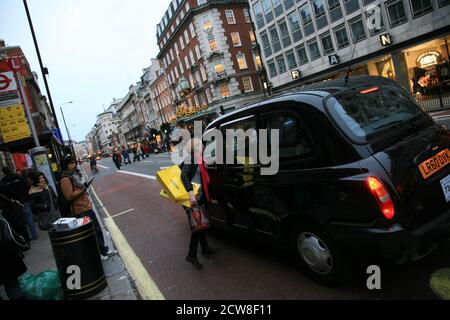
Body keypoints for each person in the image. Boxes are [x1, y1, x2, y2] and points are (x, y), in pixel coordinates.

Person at [59, 155, 116, 259]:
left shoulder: (73, 175)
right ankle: (99, 254)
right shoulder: (65, 179)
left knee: (97, 230)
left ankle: (103, 250)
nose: (74, 165)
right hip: (79, 210)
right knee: (90, 233)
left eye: (74, 162)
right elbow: (69, 196)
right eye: (71, 163)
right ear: (65, 165)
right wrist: (83, 188)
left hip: (86, 206)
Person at [180, 137, 219, 270]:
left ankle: (205, 248)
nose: (203, 146)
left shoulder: (199, 159)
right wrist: (190, 193)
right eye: (200, 145)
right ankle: (191, 255)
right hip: (192, 198)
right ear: (195, 147)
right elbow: (184, 176)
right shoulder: (190, 158)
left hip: (200, 196)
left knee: (202, 223)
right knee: (197, 227)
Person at [0, 186, 28, 300]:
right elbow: (16, 222)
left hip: (5, 253)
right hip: (5, 252)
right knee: (13, 287)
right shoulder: (3, 201)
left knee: (13, 287)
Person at [1, 166, 38, 240]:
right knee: (29, 217)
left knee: (21, 220)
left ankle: (26, 236)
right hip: (23, 199)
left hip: (13, 202)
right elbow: (26, 186)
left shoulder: (3, 181)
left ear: (3, 172)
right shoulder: (18, 177)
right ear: (11, 169)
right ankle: (34, 235)